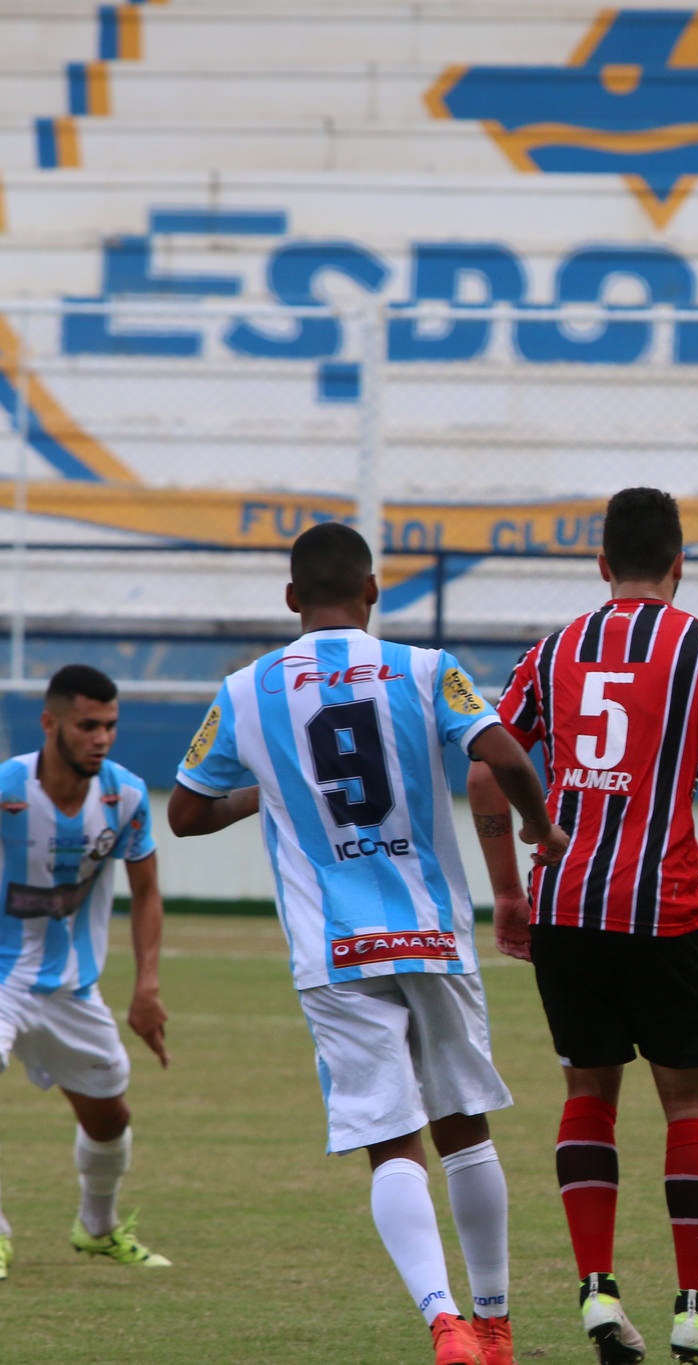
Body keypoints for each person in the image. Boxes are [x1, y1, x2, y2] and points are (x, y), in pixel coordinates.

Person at [168, 522, 565, 1365]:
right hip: (432, 934)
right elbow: (504, 755)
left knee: (392, 1140)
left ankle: (442, 1318)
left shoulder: (245, 689)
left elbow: (186, 811)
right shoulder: (428, 668)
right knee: (466, 1126)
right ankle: (495, 1324)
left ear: (290, 599)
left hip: (333, 948)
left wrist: (266, 797)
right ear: (374, 590)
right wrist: (542, 827)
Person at [468, 486, 698, 1365]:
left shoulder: (552, 651)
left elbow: (488, 772)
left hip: (566, 901)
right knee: (688, 1101)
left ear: (602, 564)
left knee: (587, 1095)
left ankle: (597, 1288)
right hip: (665, 907)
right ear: (679, 566)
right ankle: (693, 1307)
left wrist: (507, 887)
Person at [0, 665, 171, 1280]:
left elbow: (146, 890)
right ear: (50, 724)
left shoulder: (123, 797)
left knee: (109, 1117)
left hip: (72, 985)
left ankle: (96, 1229)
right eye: (87, 726)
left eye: (110, 726)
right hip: (1, 978)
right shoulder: (7, 790)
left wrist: (147, 984)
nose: (101, 738)